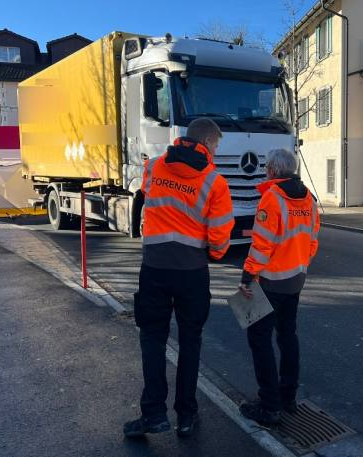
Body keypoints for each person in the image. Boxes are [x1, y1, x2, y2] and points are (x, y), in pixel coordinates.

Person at [124, 118, 234, 439]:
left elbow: (147, 196)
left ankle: (154, 414)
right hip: (192, 274)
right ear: (209, 144)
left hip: (154, 269)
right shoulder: (215, 183)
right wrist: (210, 254)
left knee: (152, 339)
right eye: (217, 146)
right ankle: (186, 416)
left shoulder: (155, 166)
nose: (216, 151)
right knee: (190, 343)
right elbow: (219, 239)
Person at [237, 148, 320, 425]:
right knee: (287, 336)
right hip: (295, 279)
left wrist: (247, 276)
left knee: (259, 340)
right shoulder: (309, 199)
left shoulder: (272, 199)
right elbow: (312, 240)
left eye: (266, 167)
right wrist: (299, 264)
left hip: (270, 282)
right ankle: (288, 397)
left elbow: (261, 246)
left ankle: (269, 405)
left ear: (271, 170)